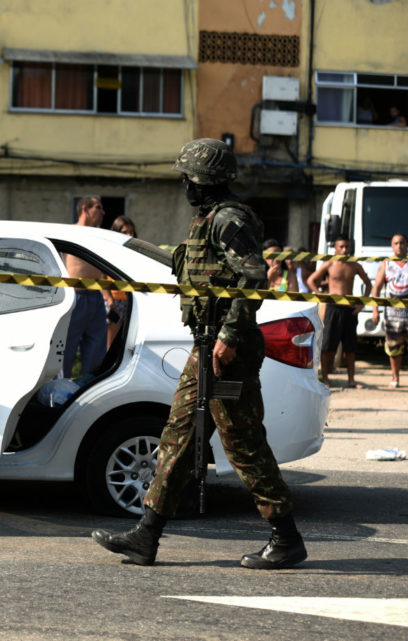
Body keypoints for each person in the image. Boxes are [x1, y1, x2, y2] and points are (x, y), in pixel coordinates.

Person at [92, 138, 307, 570]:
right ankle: (145, 535)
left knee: (242, 443)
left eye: (188, 177)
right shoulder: (205, 221)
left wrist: (228, 335)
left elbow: (252, 278)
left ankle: (286, 538)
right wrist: (134, 250)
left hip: (231, 347)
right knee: (178, 435)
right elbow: (194, 266)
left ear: (203, 180)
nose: (184, 185)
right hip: (205, 344)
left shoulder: (229, 218)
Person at [306, 237, 372, 388]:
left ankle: (351, 380)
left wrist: (361, 304)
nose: (345, 250)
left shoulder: (354, 265)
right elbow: (311, 280)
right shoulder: (329, 263)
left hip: (349, 309)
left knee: (350, 348)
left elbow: (368, 284)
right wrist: (322, 297)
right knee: (328, 346)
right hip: (333, 308)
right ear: (335, 248)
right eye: (341, 247)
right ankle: (326, 378)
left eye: (347, 247)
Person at [62, 197, 108, 377]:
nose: (103, 212)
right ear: (84, 209)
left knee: (96, 352)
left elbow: (102, 273)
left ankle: (90, 389)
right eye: (98, 207)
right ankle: (60, 390)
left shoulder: (100, 236)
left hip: (96, 298)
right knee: (66, 349)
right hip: (75, 296)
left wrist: (108, 300)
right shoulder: (69, 233)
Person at [370, 233, 408, 388]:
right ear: (392, 246)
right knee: (394, 348)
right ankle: (395, 378)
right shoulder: (386, 264)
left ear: (406, 245)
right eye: (396, 243)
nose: (399, 246)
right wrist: (375, 311)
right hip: (392, 316)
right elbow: (376, 288)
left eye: (402, 243)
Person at [105, 216, 137, 347]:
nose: (129, 235)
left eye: (131, 232)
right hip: (115, 300)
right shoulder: (109, 250)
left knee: (124, 345)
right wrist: (110, 300)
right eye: (124, 232)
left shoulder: (133, 251)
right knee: (109, 344)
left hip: (130, 300)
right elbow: (101, 276)